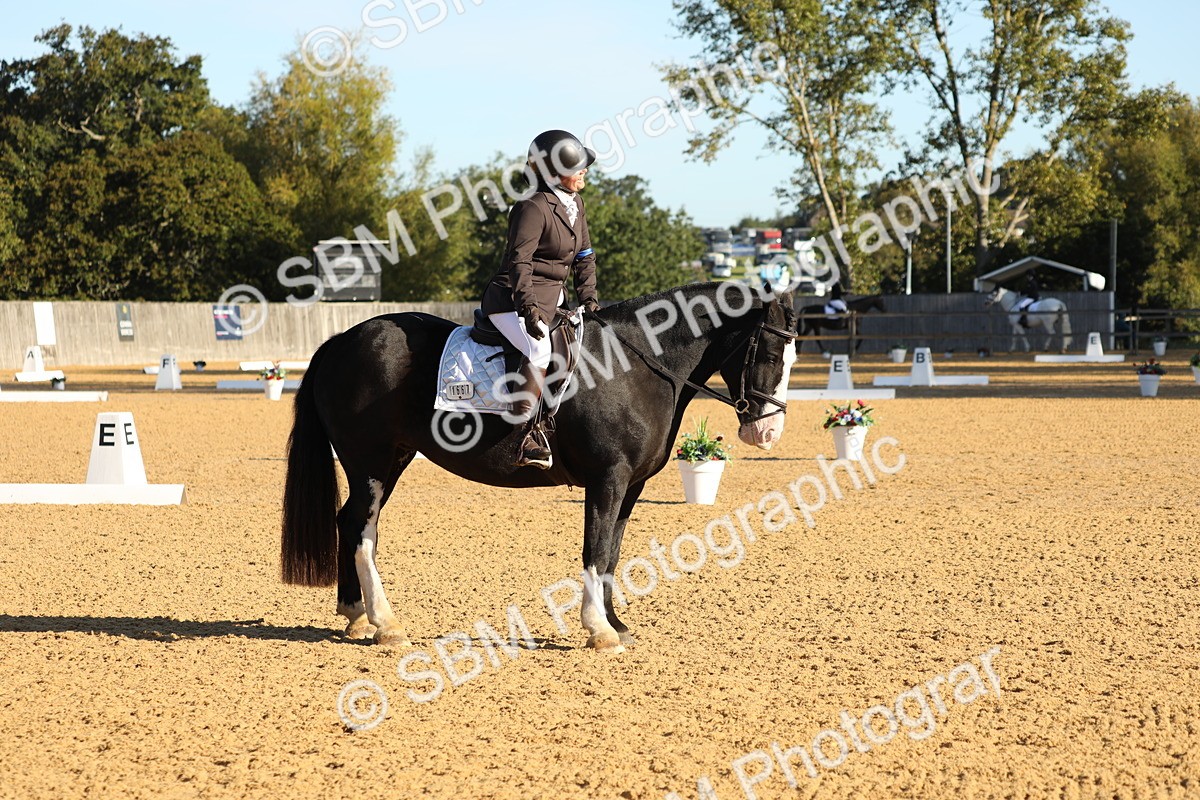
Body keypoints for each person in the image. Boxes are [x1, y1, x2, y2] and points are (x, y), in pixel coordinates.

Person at [480, 130, 600, 469]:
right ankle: (522, 438)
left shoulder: (575, 203)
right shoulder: (532, 207)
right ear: (552, 172)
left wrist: (589, 299)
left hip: (553, 300)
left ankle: (553, 425)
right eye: (577, 167)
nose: (584, 171)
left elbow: (585, 256)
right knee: (539, 349)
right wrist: (528, 307)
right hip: (511, 300)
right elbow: (520, 262)